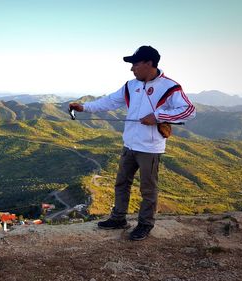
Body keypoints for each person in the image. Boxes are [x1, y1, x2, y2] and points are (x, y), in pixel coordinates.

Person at [69, 46, 196, 241]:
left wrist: (157, 116)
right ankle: (118, 218)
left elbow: (188, 111)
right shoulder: (131, 85)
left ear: (148, 64)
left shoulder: (170, 87)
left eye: (135, 64)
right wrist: (84, 107)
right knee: (122, 183)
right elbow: (109, 101)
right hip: (129, 144)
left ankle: (145, 224)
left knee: (148, 188)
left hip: (150, 148)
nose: (132, 69)